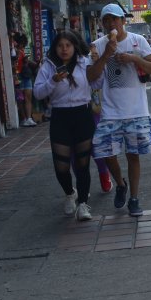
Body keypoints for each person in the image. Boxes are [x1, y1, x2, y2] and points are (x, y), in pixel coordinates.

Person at [87, 4, 151, 216]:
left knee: (133, 155)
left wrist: (134, 58)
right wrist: (106, 54)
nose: (111, 24)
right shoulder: (97, 45)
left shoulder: (138, 41)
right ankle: (120, 183)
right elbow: (91, 78)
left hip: (136, 110)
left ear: (123, 21)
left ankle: (134, 199)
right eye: (106, 20)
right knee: (106, 153)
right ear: (102, 24)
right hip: (110, 111)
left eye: (114, 19)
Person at [33, 30, 97, 221]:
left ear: (75, 46)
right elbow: (38, 93)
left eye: (68, 45)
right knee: (61, 165)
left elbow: (98, 81)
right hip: (60, 116)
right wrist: (53, 81)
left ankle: (83, 204)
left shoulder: (85, 62)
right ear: (55, 47)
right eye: (60, 46)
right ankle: (70, 193)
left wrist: (98, 61)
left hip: (82, 114)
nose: (64, 49)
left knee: (82, 163)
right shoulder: (48, 66)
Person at [14, 33, 38, 127]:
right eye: (22, 44)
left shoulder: (22, 51)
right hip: (18, 76)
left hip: (24, 75)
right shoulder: (15, 51)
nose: (22, 46)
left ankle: (28, 118)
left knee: (28, 97)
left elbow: (26, 62)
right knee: (20, 99)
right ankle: (24, 118)